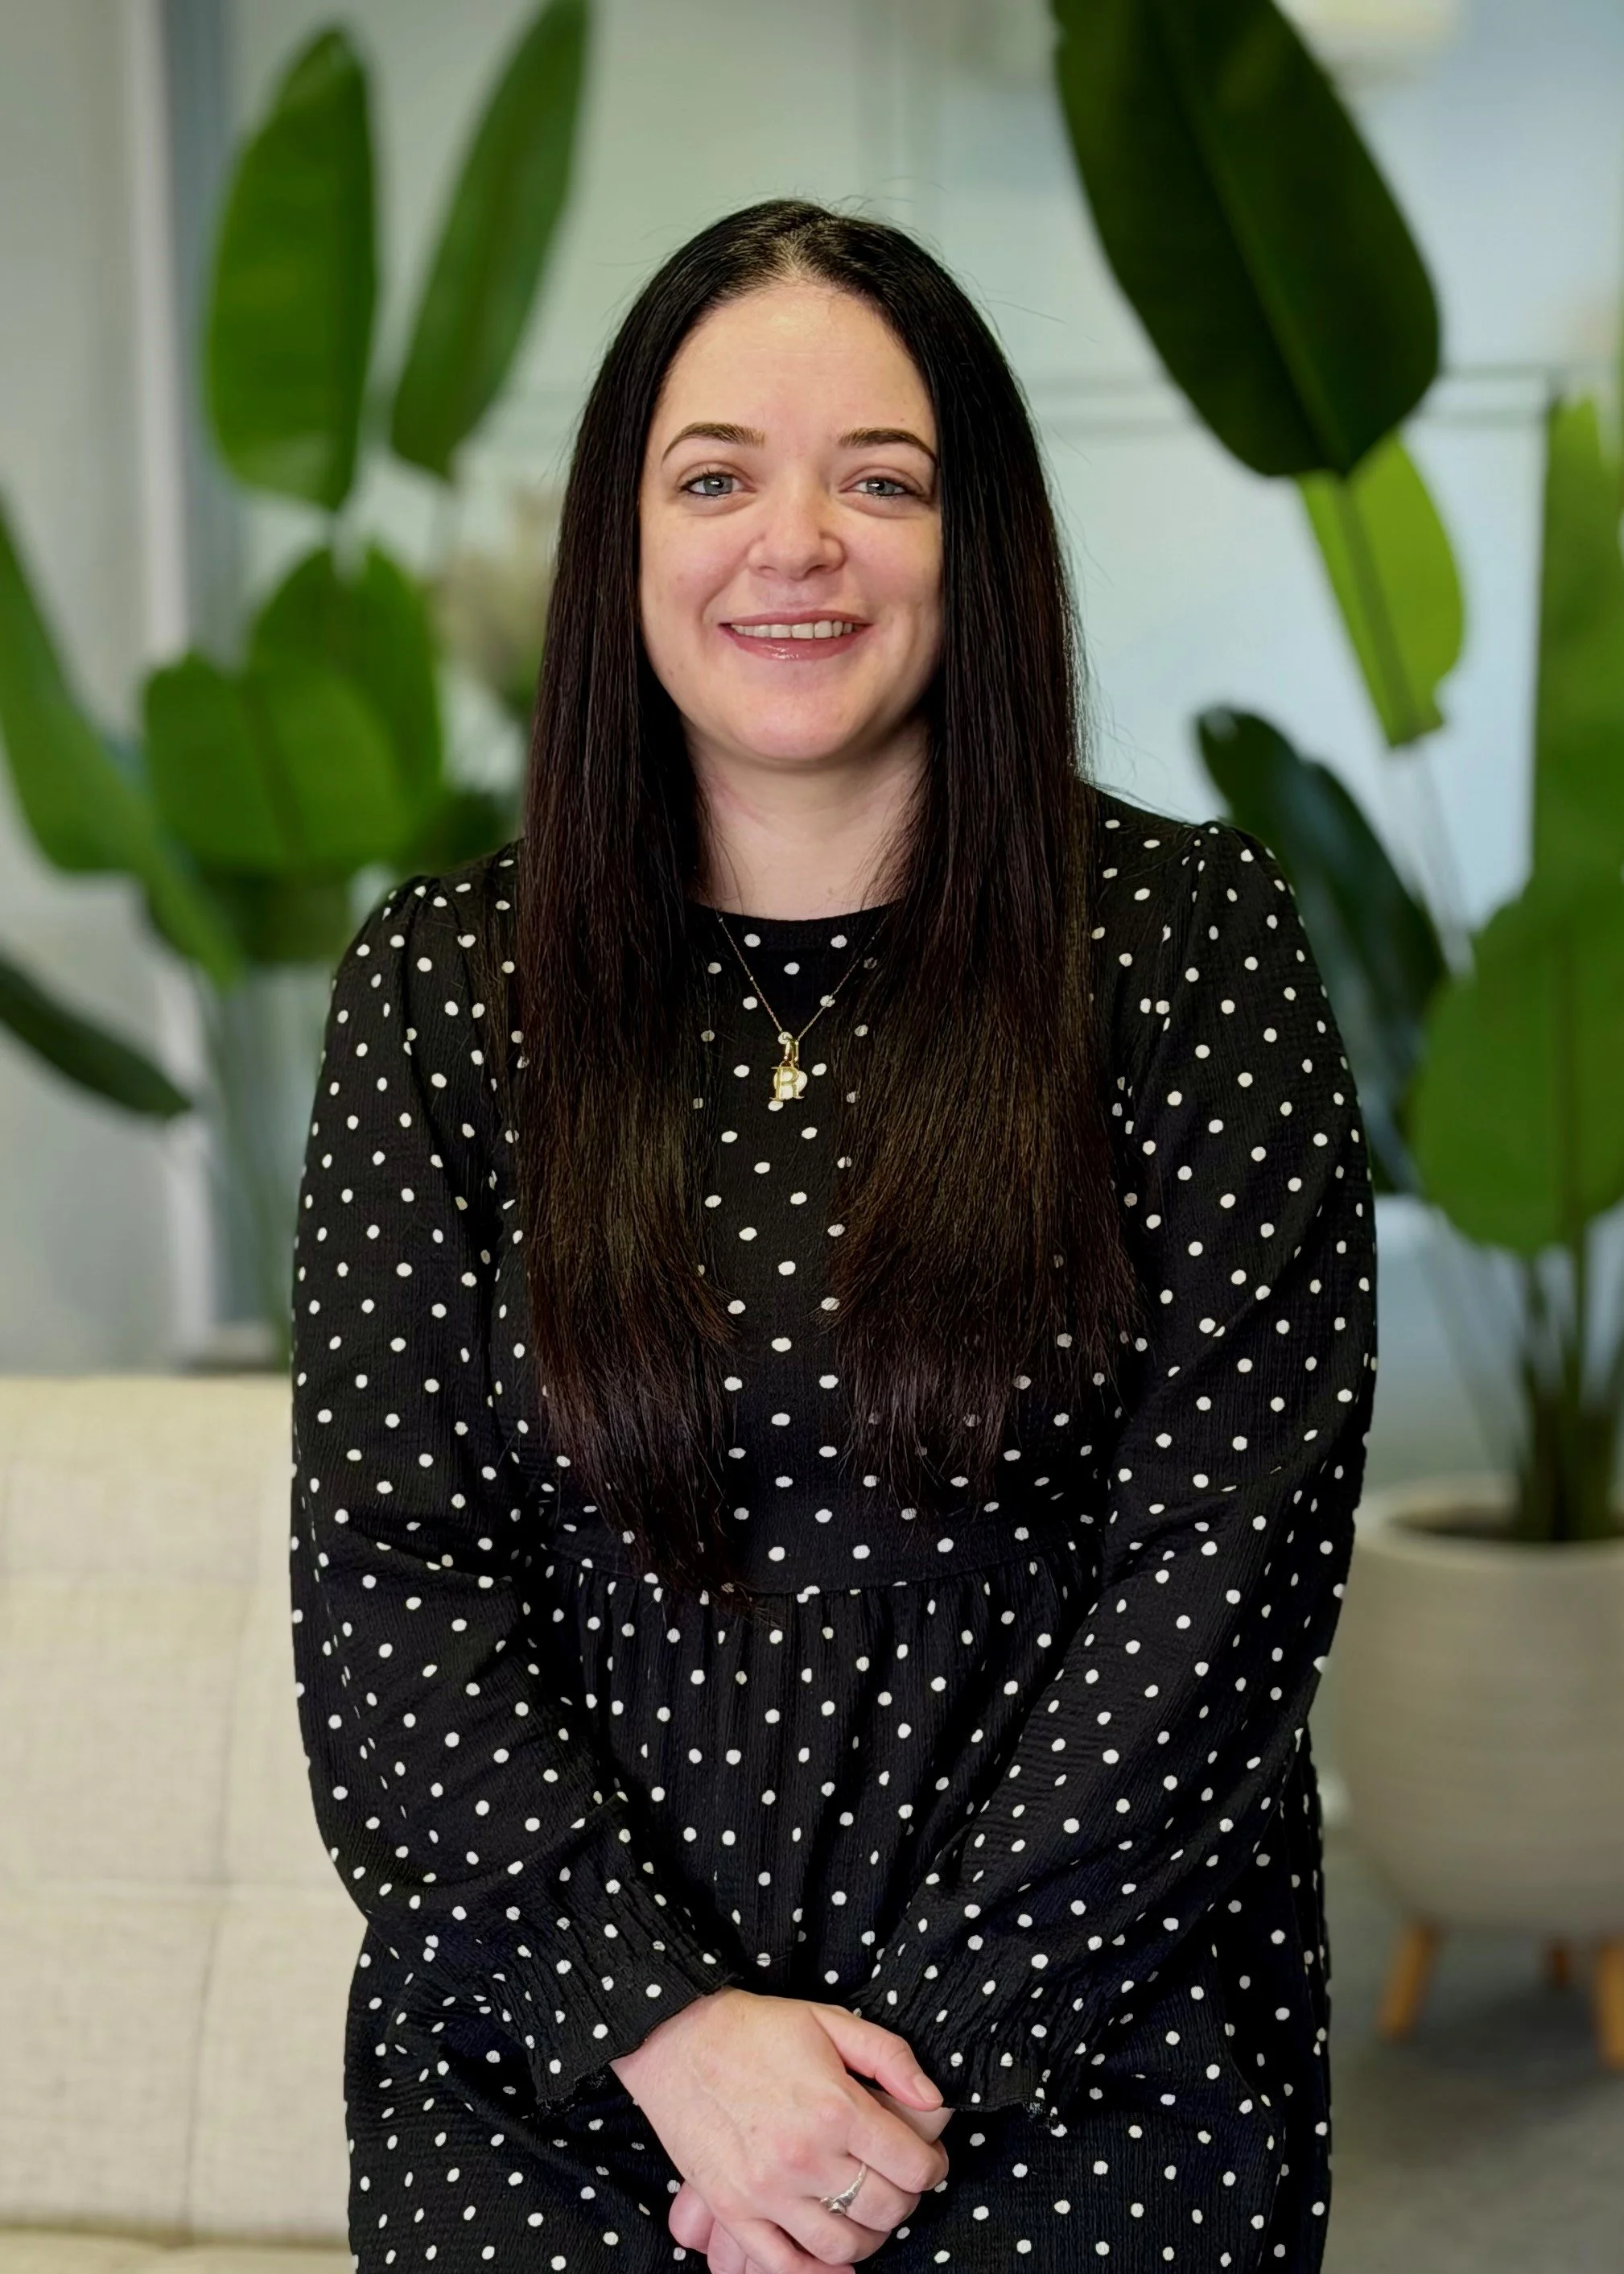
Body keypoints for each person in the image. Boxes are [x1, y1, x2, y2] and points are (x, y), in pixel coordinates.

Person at [289, 197, 1378, 2274]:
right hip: (569, 2084)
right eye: (716, 478)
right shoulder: (443, 994)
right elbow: (392, 1598)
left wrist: (867, 2107)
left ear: (983, 546)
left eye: (882, 481)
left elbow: (1221, 1594)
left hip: (1084, 2080)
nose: (796, 544)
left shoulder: (1188, 949)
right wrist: (682, 2046)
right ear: (623, 538)